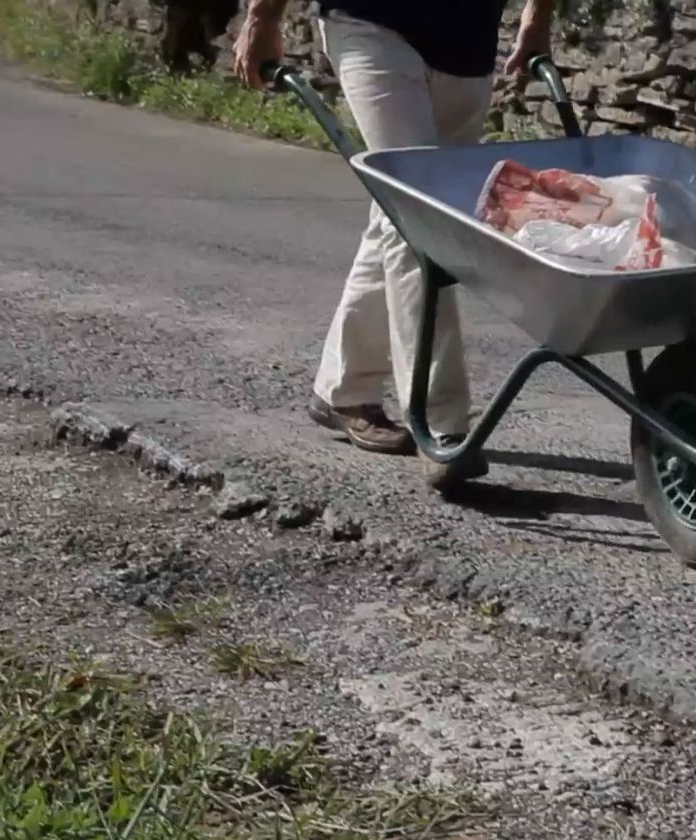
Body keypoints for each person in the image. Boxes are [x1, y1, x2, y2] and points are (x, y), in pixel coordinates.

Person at [233, 0, 555, 489]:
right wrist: (264, 17)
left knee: (396, 214)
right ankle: (443, 427)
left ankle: (343, 388)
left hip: (468, 45)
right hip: (372, 22)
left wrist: (537, 19)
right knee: (420, 221)